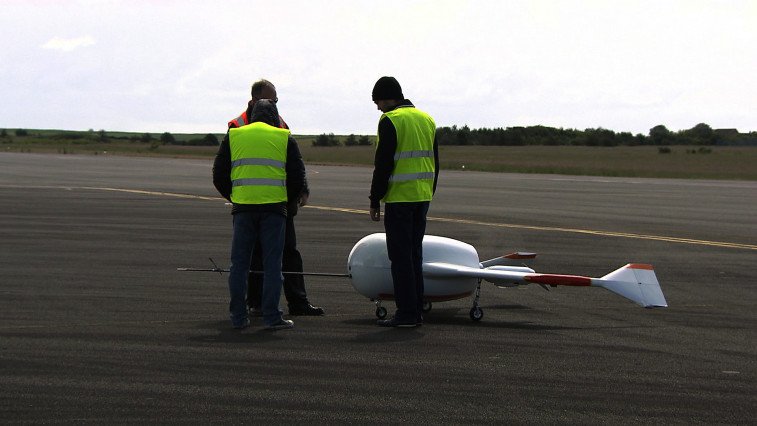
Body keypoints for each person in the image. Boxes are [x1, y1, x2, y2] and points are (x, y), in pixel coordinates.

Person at [227, 79, 324, 317]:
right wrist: (235, 195)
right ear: (254, 100)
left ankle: (298, 302)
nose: (276, 105)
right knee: (254, 256)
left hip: (278, 203)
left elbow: (294, 161)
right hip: (250, 203)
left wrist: (300, 190)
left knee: (289, 252)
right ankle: (256, 304)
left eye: (277, 100)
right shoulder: (236, 126)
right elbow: (225, 166)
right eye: (272, 100)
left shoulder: (280, 123)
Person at [212, 99, 307, 330]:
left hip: (243, 208)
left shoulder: (234, 135)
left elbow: (219, 174)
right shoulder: (284, 137)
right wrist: (286, 199)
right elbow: (297, 176)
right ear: (274, 116)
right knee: (273, 265)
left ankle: (238, 316)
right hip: (274, 210)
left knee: (239, 265)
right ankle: (272, 316)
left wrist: (234, 196)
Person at [368, 76, 439, 328]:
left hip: (399, 198)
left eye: (378, 102)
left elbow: (383, 164)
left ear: (389, 98)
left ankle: (407, 314)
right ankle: (416, 308)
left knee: (400, 258)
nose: (377, 107)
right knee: (414, 255)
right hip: (422, 197)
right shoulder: (426, 119)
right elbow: (435, 161)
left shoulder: (391, 120)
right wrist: (429, 191)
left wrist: (375, 198)